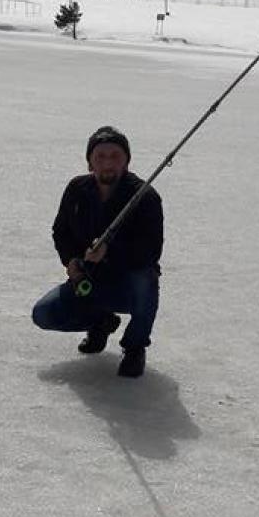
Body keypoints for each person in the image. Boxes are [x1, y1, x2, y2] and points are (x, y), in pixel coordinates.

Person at [31, 126, 163, 378]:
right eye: (100, 156)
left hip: (127, 284)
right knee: (43, 314)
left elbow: (150, 251)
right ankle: (100, 322)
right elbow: (61, 231)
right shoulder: (77, 189)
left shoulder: (145, 197)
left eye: (115, 156)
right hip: (89, 280)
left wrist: (109, 253)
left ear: (126, 161)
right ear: (90, 161)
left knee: (146, 279)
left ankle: (135, 347)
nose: (108, 163)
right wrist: (71, 261)